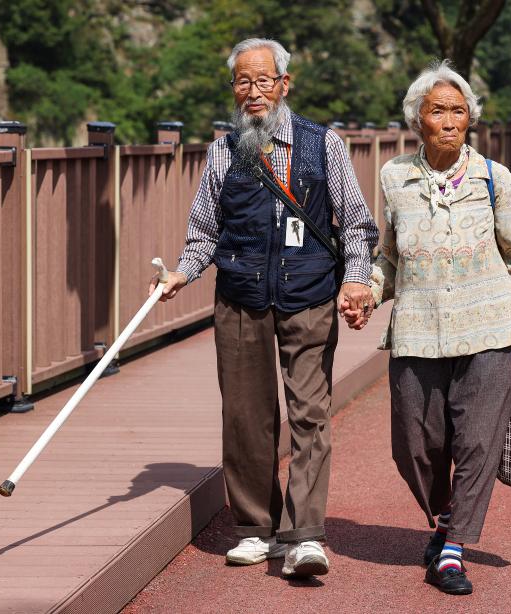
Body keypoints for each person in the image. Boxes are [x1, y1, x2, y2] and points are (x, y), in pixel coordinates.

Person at [148, 37, 378, 579]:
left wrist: (357, 280)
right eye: (242, 82)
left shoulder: (325, 145)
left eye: (263, 81)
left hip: (309, 295)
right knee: (246, 418)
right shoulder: (223, 151)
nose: (253, 92)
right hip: (242, 298)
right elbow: (206, 231)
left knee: (310, 415)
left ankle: (304, 535)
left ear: (284, 84)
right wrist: (181, 272)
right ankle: (256, 529)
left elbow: (357, 223)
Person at [342, 60, 511, 596]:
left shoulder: (495, 179)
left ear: (470, 120)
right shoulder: (394, 178)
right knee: (414, 442)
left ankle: (452, 550)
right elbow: (388, 257)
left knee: (477, 441)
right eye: (438, 111)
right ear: (417, 120)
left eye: (459, 111)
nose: (450, 121)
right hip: (418, 330)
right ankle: (446, 515)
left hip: (491, 327)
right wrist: (366, 288)